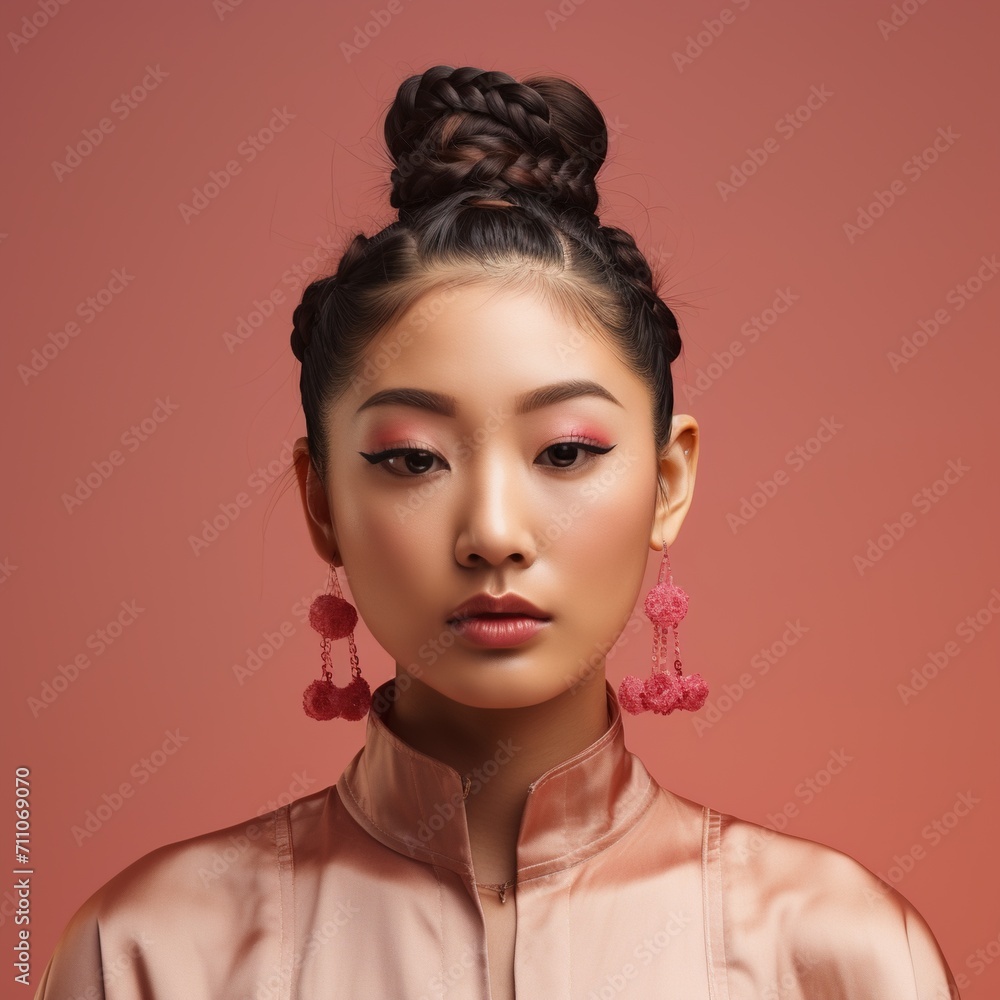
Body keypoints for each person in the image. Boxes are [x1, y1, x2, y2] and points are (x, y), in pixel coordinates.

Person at [35, 64, 960, 1000]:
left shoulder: (839, 957)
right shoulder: (152, 955)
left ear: (668, 479)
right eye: (412, 459)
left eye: (563, 452)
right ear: (321, 503)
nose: (492, 533)